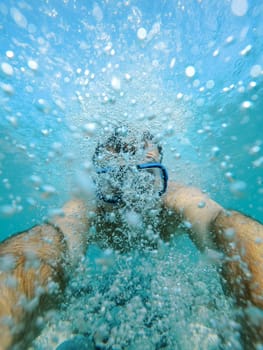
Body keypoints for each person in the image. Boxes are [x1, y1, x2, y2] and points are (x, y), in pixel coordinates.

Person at [0, 126, 263, 350]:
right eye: (118, 176)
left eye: (144, 174)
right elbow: (51, 242)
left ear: (159, 168)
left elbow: (223, 225)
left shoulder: (176, 196)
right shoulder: (88, 204)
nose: (130, 196)